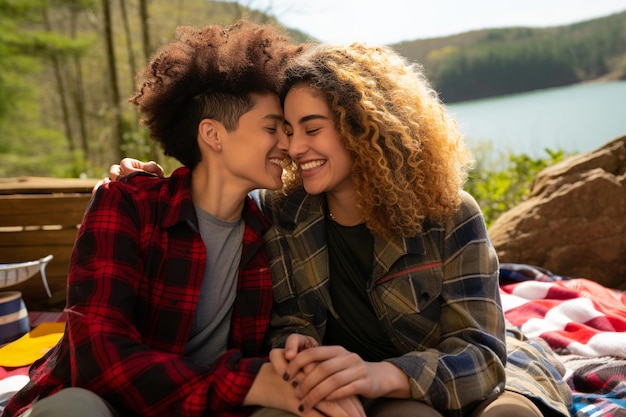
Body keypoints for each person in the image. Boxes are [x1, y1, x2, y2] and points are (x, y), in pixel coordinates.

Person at [100, 42, 573, 417]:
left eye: (311, 128)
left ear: (361, 126)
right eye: (284, 128)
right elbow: (288, 321)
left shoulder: (449, 214)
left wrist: (381, 375)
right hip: (355, 387)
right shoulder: (284, 213)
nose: (293, 146)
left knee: (510, 411)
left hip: (446, 372)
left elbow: (482, 356)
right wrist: (295, 347)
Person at [1, 22, 364, 417]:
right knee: (77, 408)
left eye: (291, 130)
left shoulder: (271, 227)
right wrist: (251, 381)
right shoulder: (128, 204)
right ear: (213, 134)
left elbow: (285, 330)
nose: (289, 145)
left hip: (211, 406)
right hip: (111, 403)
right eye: (272, 128)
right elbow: (98, 356)